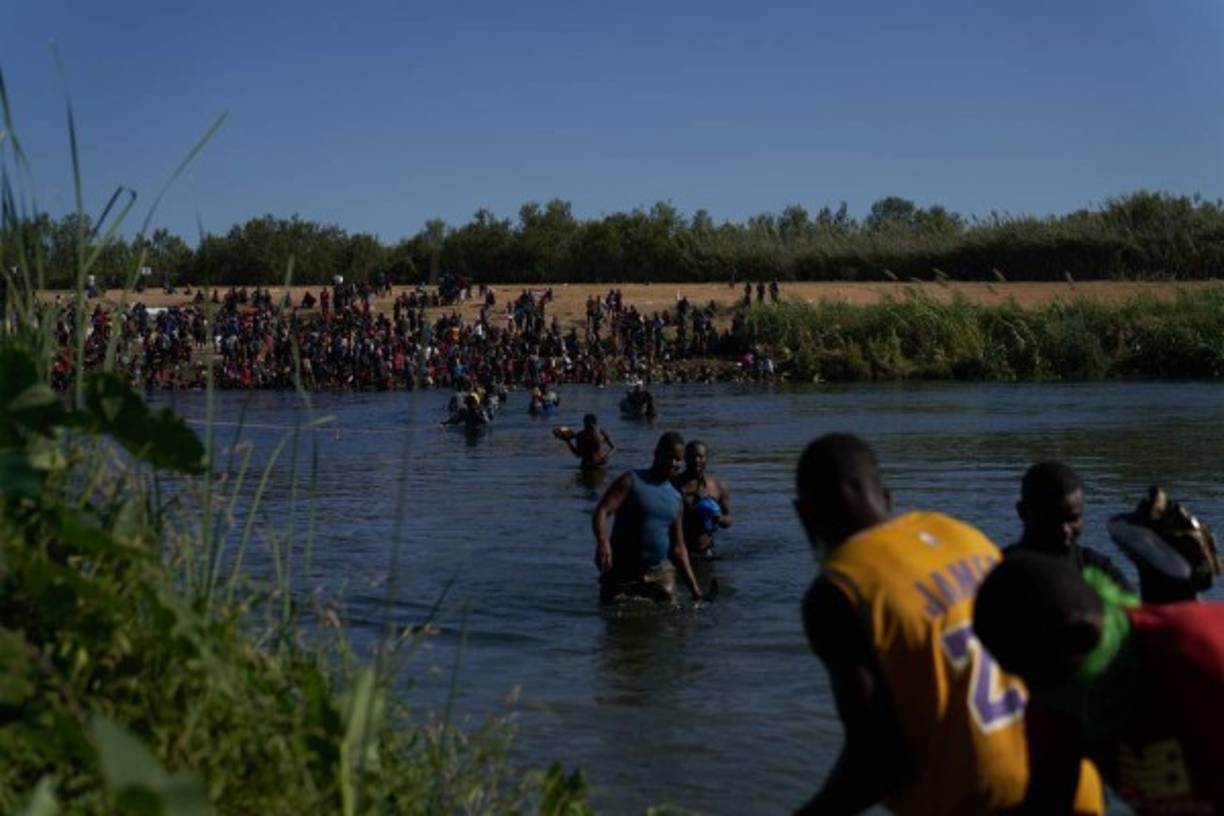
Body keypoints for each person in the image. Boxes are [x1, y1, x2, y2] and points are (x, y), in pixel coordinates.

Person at [793, 433, 1101, 816]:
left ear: (804, 515)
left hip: (988, 802)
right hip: (1073, 784)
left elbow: (878, 761)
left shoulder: (840, 590)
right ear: (887, 499)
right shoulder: (961, 534)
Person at [974, 550, 1224, 814]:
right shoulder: (1056, 688)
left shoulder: (1198, 656)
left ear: (1084, 637)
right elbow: (1048, 800)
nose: (1036, 696)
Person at [592, 432, 704, 606]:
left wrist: (694, 589)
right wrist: (603, 541)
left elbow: (679, 548)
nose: (673, 463)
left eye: (678, 460)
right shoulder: (631, 480)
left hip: (660, 573)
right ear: (657, 454)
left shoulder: (676, 497)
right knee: (614, 616)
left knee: (673, 615)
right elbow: (602, 511)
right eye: (670, 457)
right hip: (622, 570)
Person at [1008, 461, 1133, 591]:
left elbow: (1134, 603)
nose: (1065, 530)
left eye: (1073, 519)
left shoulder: (1097, 570)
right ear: (1023, 512)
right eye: (1053, 519)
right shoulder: (1001, 573)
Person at [673, 440, 733, 557]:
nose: (696, 460)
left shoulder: (717, 486)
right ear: (685, 458)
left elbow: (728, 518)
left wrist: (717, 518)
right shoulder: (673, 484)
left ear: (706, 459)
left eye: (700, 456)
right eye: (692, 456)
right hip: (678, 551)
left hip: (706, 552)